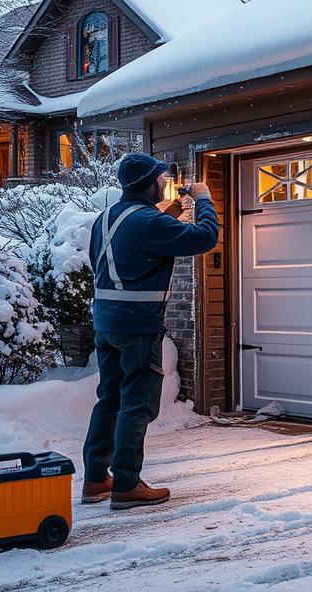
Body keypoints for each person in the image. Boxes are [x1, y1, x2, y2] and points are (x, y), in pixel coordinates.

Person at [80, 152, 219, 510]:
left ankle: (96, 479)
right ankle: (126, 484)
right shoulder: (148, 223)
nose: (164, 181)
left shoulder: (108, 218)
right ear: (148, 183)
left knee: (109, 398)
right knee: (137, 403)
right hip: (137, 327)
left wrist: (171, 212)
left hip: (106, 323)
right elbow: (204, 237)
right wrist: (202, 198)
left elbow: (138, 243)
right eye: (160, 177)